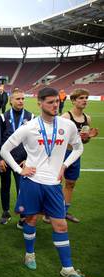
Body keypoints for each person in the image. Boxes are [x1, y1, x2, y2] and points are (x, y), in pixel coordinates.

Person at [0, 87, 93, 277]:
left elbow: (79, 147)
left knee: (61, 225)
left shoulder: (67, 126)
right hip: (32, 182)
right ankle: (29, 254)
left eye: (57, 102)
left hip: (53, 184)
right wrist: (18, 169)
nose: (55, 105)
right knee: (31, 219)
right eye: (50, 102)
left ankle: (67, 269)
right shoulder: (29, 127)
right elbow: (4, 149)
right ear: (40, 103)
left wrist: (65, 165)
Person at [59, 89, 99, 223]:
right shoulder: (66, 117)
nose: (85, 100)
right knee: (56, 182)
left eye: (86, 98)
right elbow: (59, 139)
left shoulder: (87, 118)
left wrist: (88, 137)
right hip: (63, 153)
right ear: (74, 100)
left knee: (71, 183)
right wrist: (77, 136)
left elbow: (83, 141)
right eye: (81, 98)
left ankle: (64, 211)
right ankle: (50, 212)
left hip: (76, 154)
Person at [0, 88, 34, 227]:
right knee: (5, 186)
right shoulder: (2, 117)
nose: (21, 101)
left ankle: (23, 216)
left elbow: (34, 141)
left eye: (23, 99)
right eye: (18, 99)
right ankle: (5, 212)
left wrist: (29, 159)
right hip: (5, 161)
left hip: (22, 162)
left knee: (22, 188)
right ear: (11, 100)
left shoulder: (31, 117)